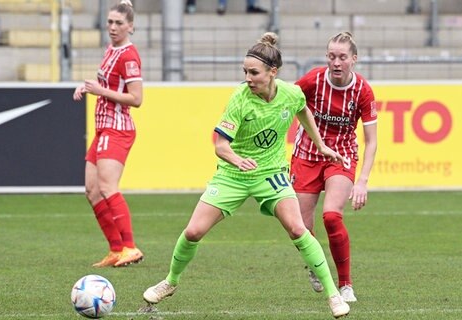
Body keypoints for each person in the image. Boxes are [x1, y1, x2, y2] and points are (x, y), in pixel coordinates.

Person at [142, 32, 351, 318]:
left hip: (271, 173)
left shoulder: (291, 93)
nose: (248, 78)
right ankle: (170, 282)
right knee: (193, 231)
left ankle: (333, 295)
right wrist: (238, 160)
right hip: (233, 174)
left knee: (297, 228)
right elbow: (219, 145)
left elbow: (302, 111)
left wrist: (320, 144)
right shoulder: (240, 99)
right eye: (245, 72)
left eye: (253, 72)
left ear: (272, 72)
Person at [290, 32, 378, 303]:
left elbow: (372, 141)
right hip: (306, 155)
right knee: (299, 228)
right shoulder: (313, 80)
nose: (336, 62)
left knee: (331, 215)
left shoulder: (362, 91)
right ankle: (317, 266)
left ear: (354, 59)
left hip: (341, 157)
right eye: (331, 56)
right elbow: (286, 98)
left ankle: (345, 284)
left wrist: (362, 181)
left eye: (342, 57)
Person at [73, 0, 144, 268]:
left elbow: (136, 99)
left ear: (130, 27)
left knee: (107, 187)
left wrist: (100, 91)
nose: (113, 27)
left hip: (118, 129)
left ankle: (130, 247)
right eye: (110, 22)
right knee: (92, 191)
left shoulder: (128, 56)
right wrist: (86, 87)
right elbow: (107, 83)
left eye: (119, 23)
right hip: (103, 127)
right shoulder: (111, 49)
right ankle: (116, 249)